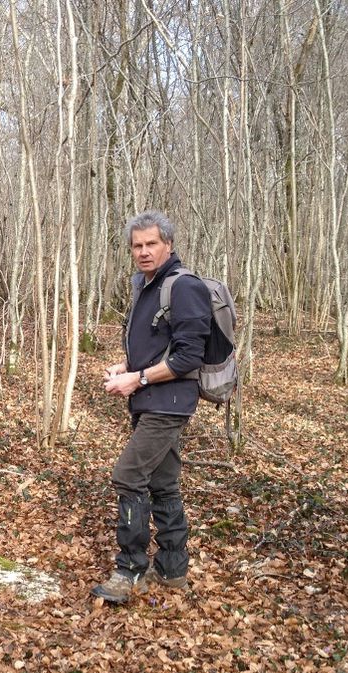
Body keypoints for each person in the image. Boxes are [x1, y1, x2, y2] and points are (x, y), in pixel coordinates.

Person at [91, 210, 212, 605]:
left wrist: (138, 379)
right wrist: (127, 366)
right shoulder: (145, 286)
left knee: (127, 476)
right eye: (137, 245)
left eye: (151, 244)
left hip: (169, 403)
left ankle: (130, 571)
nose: (143, 252)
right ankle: (173, 568)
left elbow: (189, 356)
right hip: (150, 400)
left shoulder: (184, 286)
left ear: (168, 245)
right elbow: (158, 345)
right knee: (163, 483)